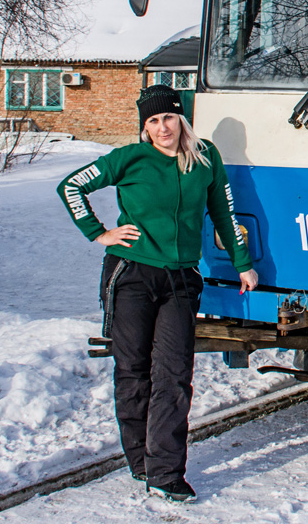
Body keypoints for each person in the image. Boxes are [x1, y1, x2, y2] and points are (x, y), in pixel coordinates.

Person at [57, 84, 257, 503]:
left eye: (167, 118)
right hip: (131, 275)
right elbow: (71, 187)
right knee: (133, 368)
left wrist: (242, 262)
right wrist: (100, 233)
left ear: (180, 118)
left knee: (174, 374)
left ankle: (166, 471)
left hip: (181, 280)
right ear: (144, 128)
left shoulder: (205, 158)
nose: (162, 127)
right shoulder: (129, 159)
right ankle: (140, 461)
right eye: (152, 121)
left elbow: (223, 211)